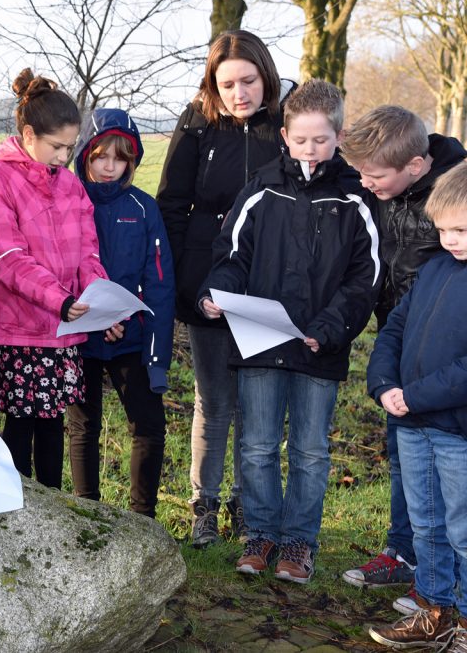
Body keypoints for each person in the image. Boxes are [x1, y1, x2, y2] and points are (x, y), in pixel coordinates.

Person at [199, 80, 381, 584]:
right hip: (261, 342)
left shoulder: (354, 198)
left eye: (320, 140)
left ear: (339, 136)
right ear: (284, 134)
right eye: (300, 140)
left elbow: (366, 278)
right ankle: (260, 535)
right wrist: (216, 293)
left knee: (310, 450)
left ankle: (299, 542)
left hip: (321, 347)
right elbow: (232, 255)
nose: (309, 149)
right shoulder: (261, 188)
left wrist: (329, 328)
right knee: (256, 445)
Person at [156, 30, 294, 547]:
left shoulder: (286, 126)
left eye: (249, 81)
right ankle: (204, 506)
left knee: (258, 404)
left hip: (268, 285)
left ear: (266, 75)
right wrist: (174, 283)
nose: (239, 93)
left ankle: (247, 502)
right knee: (213, 401)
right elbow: (171, 203)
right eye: (227, 83)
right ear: (212, 85)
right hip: (205, 283)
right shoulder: (197, 124)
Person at [340, 105, 467, 611]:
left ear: (416, 167)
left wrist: (412, 392)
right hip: (406, 374)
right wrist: (384, 379)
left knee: (455, 512)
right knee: (414, 483)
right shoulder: (387, 199)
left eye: (375, 175)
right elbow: (392, 309)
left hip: (447, 400)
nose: (366, 185)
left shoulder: (449, 202)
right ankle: (419, 577)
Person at [0, 68, 114, 490]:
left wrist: (100, 301)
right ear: (29, 135)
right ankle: (18, 519)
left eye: (70, 147)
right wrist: (60, 299)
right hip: (18, 329)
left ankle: (53, 517)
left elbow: (88, 253)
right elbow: (6, 257)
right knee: (21, 427)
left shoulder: (71, 186)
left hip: (62, 325)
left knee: (53, 427)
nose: (64, 157)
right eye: (56, 147)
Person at [365, 162, 467, 651]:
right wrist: (384, 383)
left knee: (462, 528)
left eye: (462, 229)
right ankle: (434, 612)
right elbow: (394, 329)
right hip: (411, 423)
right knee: (424, 524)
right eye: (444, 229)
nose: (451, 240)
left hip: (456, 429)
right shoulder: (433, 269)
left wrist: (415, 395)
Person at [65, 108, 175, 516]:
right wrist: (88, 315)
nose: (109, 166)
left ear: (132, 161)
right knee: (83, 425)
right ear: (85, 156)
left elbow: (159, 283)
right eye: (100, 156)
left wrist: (143, 335)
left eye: (120, 158)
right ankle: (85, 510)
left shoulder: (144, 208)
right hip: (80, 331)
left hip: (132, 335)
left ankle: (142, 517)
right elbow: (61, 266)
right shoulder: (69, 202)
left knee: (147, 424)